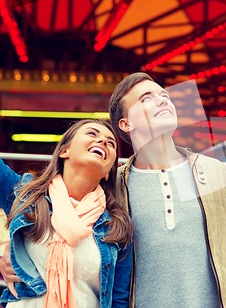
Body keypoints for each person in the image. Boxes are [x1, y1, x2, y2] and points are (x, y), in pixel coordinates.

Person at [108, 73, 226, 307]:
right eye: (146, 98)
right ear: (126, 123)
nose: (163, 100)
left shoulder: (216, 171)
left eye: (165, 95)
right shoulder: (112, 185)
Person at [0, 119, 133, 308]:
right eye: (92, 134)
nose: (103, 142)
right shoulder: (24, 196)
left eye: (111, 143)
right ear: (64, 151)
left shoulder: (117, 225)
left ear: (108, 172)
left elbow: (119, 300)